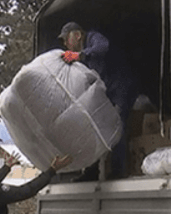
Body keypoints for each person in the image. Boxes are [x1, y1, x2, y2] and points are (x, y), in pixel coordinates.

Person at [59, 21, 140, 180]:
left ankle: (118, 170)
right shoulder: (81, 58)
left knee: (118, 125)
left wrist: (79, 56)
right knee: (92, 126)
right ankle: (91, 171)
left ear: (77, 35)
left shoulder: (94, 38)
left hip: (121, 88)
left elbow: (103, 47)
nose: (65, 44)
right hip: (107, 91)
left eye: (66, 39)